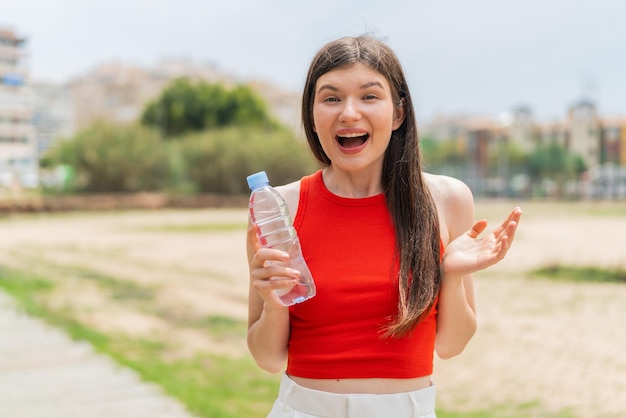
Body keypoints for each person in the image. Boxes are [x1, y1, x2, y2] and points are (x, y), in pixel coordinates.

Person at [246, 35, 522, 418]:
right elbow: (267, 357)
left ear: (398, 114)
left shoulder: (447, 199)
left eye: (369, 96)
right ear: (312, 114)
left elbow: (452, 345)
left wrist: (452, 276)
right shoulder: (277, 207)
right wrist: (275, 303)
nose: (348, 113)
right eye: (331, 98)